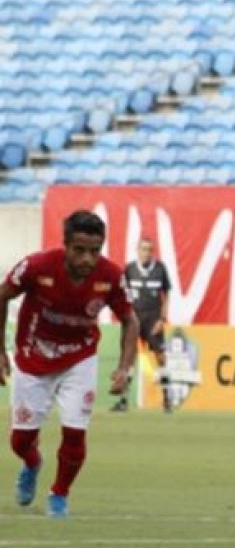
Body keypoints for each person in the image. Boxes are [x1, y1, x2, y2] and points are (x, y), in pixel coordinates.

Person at [0, 210, 139, 518]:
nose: (87, 259)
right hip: (33, 358)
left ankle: (59, 494)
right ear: (66, 246)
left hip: (79, 359)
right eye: (79, 250)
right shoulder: (36, 267)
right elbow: (2, 296)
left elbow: (130, 320)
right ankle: (32, 463)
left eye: (94, 251)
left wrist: (124, 368)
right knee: (20, 440)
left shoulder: (111, 277)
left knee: (75, 432)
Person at [111, 237, 173, 413]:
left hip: (153, 320)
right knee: (129, 357)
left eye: (149, 249)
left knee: (160, 357)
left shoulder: (160, 269)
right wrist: (124, 316)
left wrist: (162, 318)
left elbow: (167, 292)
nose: (146, 253)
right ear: (137, 250)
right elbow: (122, 293)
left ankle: (167, 398)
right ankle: (123, 400)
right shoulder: (130, 269)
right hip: (134, 319)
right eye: (143, 249)